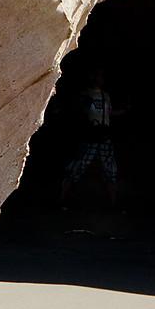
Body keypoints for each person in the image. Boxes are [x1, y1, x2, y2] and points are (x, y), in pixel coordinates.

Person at [59, 71, 119, 207]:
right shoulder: (86, 94)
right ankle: (62, 199)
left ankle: (114, 204)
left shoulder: (105, 96)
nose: (99, 79)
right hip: (91, 136)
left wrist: (124, 110)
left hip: (104, 136)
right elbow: (78, 111)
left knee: (110, 170)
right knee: (77, 166)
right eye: (96, 76)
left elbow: (109, 113)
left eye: (101, 77)